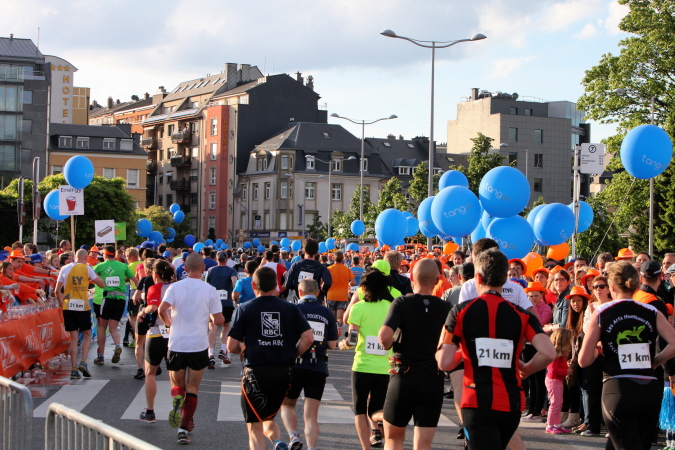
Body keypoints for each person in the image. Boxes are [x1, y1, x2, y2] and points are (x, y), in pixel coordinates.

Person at [436, 248, 556, 450]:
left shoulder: (460, 311)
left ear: (478, 278)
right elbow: (549, 353)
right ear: (505, 279)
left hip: (476, 401)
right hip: (511, 402)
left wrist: (468, 352)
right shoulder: (522, 314)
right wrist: (526, 369)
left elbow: (444, 362)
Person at [579, 261, 675, 449]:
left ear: (612, 286)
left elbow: (583, 360)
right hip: (648, 389)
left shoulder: (602, 312)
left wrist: (598, 350)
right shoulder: (652, 311)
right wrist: (656, 361)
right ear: (637, 284)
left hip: (618, 389)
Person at [227, 266, 314, 450]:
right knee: (268, 417)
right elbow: (308, 337)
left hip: (255, 373)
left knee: (254, 428)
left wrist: (242, 347)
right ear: (276, 285)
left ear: (253, 285)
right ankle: (277, 442)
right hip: (283, 372)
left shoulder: (245, 309)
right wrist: (293, 354)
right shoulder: (291, 308)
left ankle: (276, 443)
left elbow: (231, 346)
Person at [378, 259, 451, 450]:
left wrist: (391, 345)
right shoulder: (446, 307)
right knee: (424, 444)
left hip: (404, 375)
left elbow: (384, 336)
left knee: (393, 438)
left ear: (411, 278)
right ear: (437, 280)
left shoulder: (402, 302)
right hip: (432, 378)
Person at [158, 253, 224, 445]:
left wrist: (169, 324)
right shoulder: (210, 290)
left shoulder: (175, 287)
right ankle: (183, 429)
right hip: (198, 345)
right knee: (193, 388)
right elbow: (219, 320)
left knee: (177, 385)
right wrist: (210, 317)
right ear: (203, 269)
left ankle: (178, 397)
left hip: (177, 343)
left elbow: (161, 310)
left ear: (185, 269)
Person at [280, 279, 338, 450]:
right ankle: (312, 447)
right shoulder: (327, 312)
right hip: (318, 366)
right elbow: (332, 344)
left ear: (299, 292)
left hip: (294, 365)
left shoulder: (292, 309)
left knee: (287, 404)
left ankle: (293, 436)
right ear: (318, 292)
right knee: (311, 416)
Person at [341, 268, 394, 450]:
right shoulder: (390, 307)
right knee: (377, 410)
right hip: (384, 367)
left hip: (362, 366)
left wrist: (343, 345)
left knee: (359, 410)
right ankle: (386, 428)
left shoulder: (358, 308)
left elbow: (352, 339)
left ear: (364, 288)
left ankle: (366, 447)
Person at [54, 248, 105, 379]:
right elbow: (102, 284)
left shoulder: (64, 268)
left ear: (74, 257)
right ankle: (83, 361)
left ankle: (73, 368)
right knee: (87, 334)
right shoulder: (87, 268)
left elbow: (56, 291)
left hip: (68, 305)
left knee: (74, 338)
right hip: (82, 306)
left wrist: (61, 304)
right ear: (86, 258)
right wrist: (92, 273)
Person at [138, 260, 175, 423]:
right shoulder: (176, 288)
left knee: (150, 373)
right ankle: (180, 411)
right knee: (175, 375)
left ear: (155, 274)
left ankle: (150, 412)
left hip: (156, 334)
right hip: (174, 334)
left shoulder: (154, 288)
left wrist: (142, 311)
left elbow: (153, 308)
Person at [458, 239, 533, 312]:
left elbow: (461, 315)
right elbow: (532, 315)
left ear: (476, 261)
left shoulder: (468, 286)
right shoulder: (516, 288)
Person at [94, 245, 139, 365]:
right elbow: (136, 280)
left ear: (105, 254)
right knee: (113, 327)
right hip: (121, 299)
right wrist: (139, 293)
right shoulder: (123, 266)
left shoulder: (100, 266)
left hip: (108, 298)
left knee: (102, 326)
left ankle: (101, 356)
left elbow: (89, 275)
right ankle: (118, 345)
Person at [521, 281, 553, 423]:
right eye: (530, 296)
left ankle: (537, 411)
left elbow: (539, 323)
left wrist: (532, 308)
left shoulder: (546, 308)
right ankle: (531, 410)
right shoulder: (525, 308)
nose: (533, 298)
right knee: (530, 379)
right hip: (527, 345)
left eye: (536, 296)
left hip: (538, 346)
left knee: (538, 380)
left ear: (542, 296)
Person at [205, 251, 238, 366]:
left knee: (212, 328)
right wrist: (234, 296)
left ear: (216, 259)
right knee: (226, 326)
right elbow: (234, 283)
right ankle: (223, 350)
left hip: (213, 302)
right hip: (227, 302)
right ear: (227, 259)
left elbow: (207, 286)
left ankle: (210, 354)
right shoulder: (231, 270)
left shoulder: (211, 270)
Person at [545, 328, 575, 434]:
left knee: (559, 403)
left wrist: (566, 367)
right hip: (553, 380)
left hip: (557, 380)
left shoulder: (561, 353)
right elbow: (554, 370)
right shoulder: (556, 354)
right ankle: (550, 425)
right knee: (555, 403)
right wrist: (567, 371)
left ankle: (557, 424)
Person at [284, 239, 332, 303]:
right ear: (316, 252)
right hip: (315, 300)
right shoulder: (321, 267)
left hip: (299, 300)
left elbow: (287, 284)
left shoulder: (296, 265)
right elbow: (327, 283)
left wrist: (297, 286)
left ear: (304, 250)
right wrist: (321, 290)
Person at [326, 251, 356, 327]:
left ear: (333, 258)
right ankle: (338, 329)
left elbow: (324, 281)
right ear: (342, 258)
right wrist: (348, 284)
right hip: (343, 296)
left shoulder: (329, 269)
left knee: (331, 318)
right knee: (339, 318)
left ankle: (333, 330)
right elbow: (353, 282)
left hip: (331, 295)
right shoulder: (346, 269)